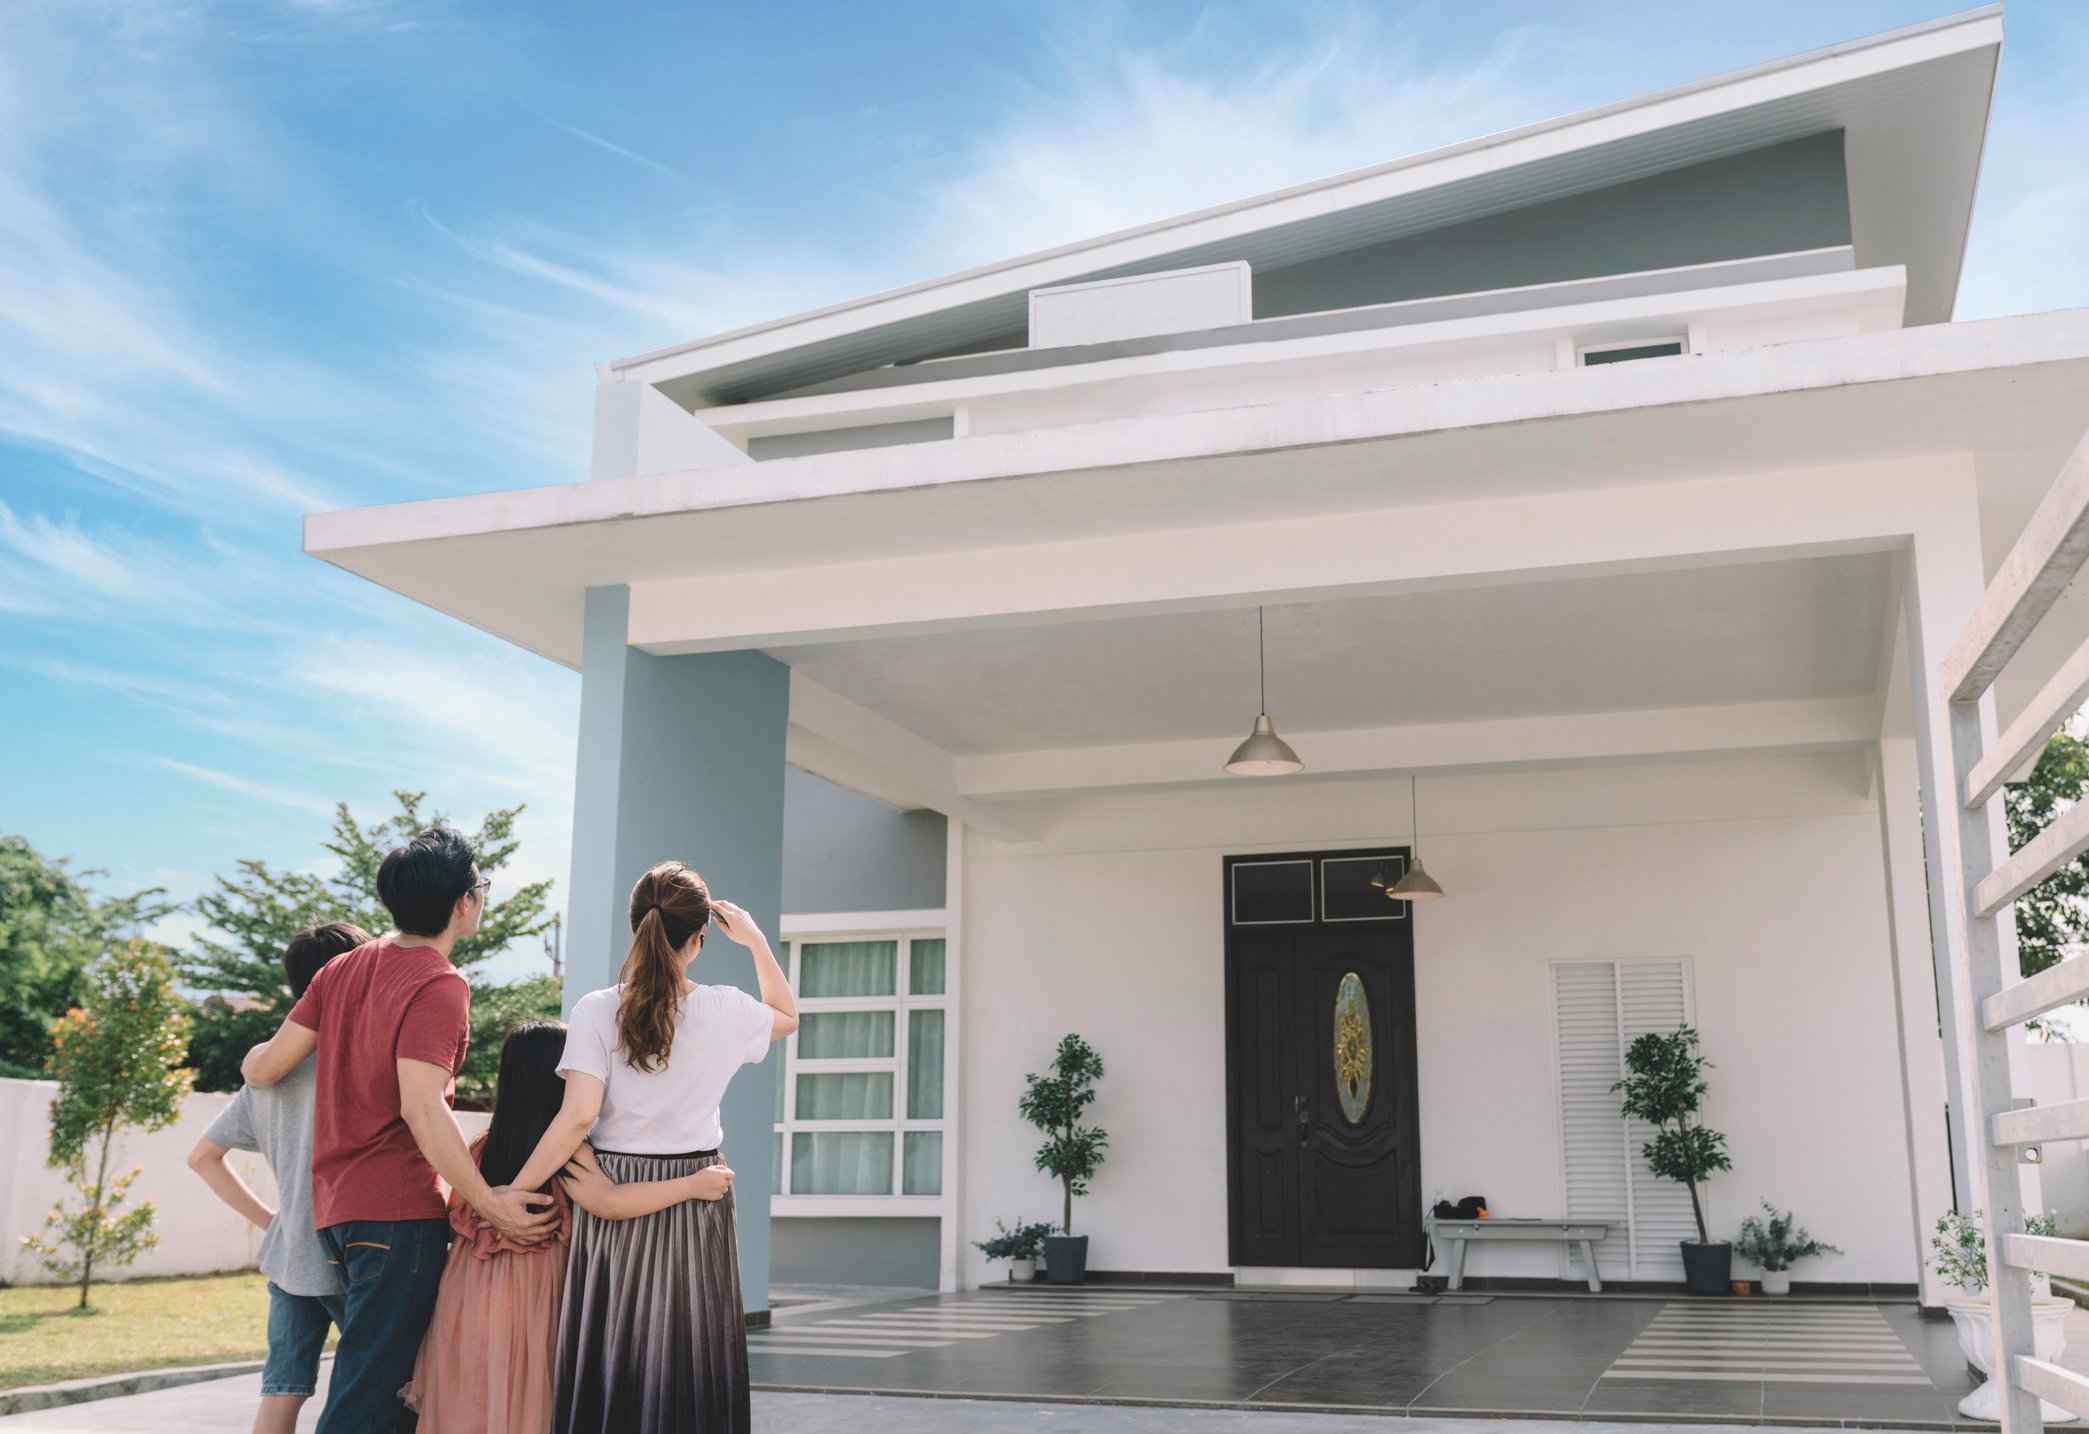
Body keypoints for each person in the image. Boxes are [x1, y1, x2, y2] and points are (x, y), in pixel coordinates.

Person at [241, 826, 557, 1434]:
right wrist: (491, 1206)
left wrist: (254, 1059)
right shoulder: (439, 983)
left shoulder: (339, 968)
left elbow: (265, 1067)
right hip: (395, 1214)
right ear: (464, 901)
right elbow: (422, 1107)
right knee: (372, 1398)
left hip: (335, 1213)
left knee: (380, 1391)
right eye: (481, 886)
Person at [505, 861, 797, 1434]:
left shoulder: (595, 1009)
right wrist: (757, 940)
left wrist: (513, 1192)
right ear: (699, 937)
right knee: (688, 1355)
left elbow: (577, 1117)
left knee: (615, 1347)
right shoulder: (727, 1007)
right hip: (699, 1192)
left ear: (635, 926)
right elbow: (787, 1014)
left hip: (612, 1188)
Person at [403, 1019, 734, 1434]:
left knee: (473, 1404)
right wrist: (692, 1184)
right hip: (543, 1297)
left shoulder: (482, 1147)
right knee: (534, 1406)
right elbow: (610, 1203)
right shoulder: (569, 1151)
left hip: (469, 1299)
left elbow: (458, 1217)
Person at [188, 921, 370, 1434]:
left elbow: (202, 1157)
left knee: (281, 1392)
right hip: (352, 1250)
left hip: (290, 1255)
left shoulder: (265, 1073)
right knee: (380, 1386)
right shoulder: (362, 1061)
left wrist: (275, 1220)